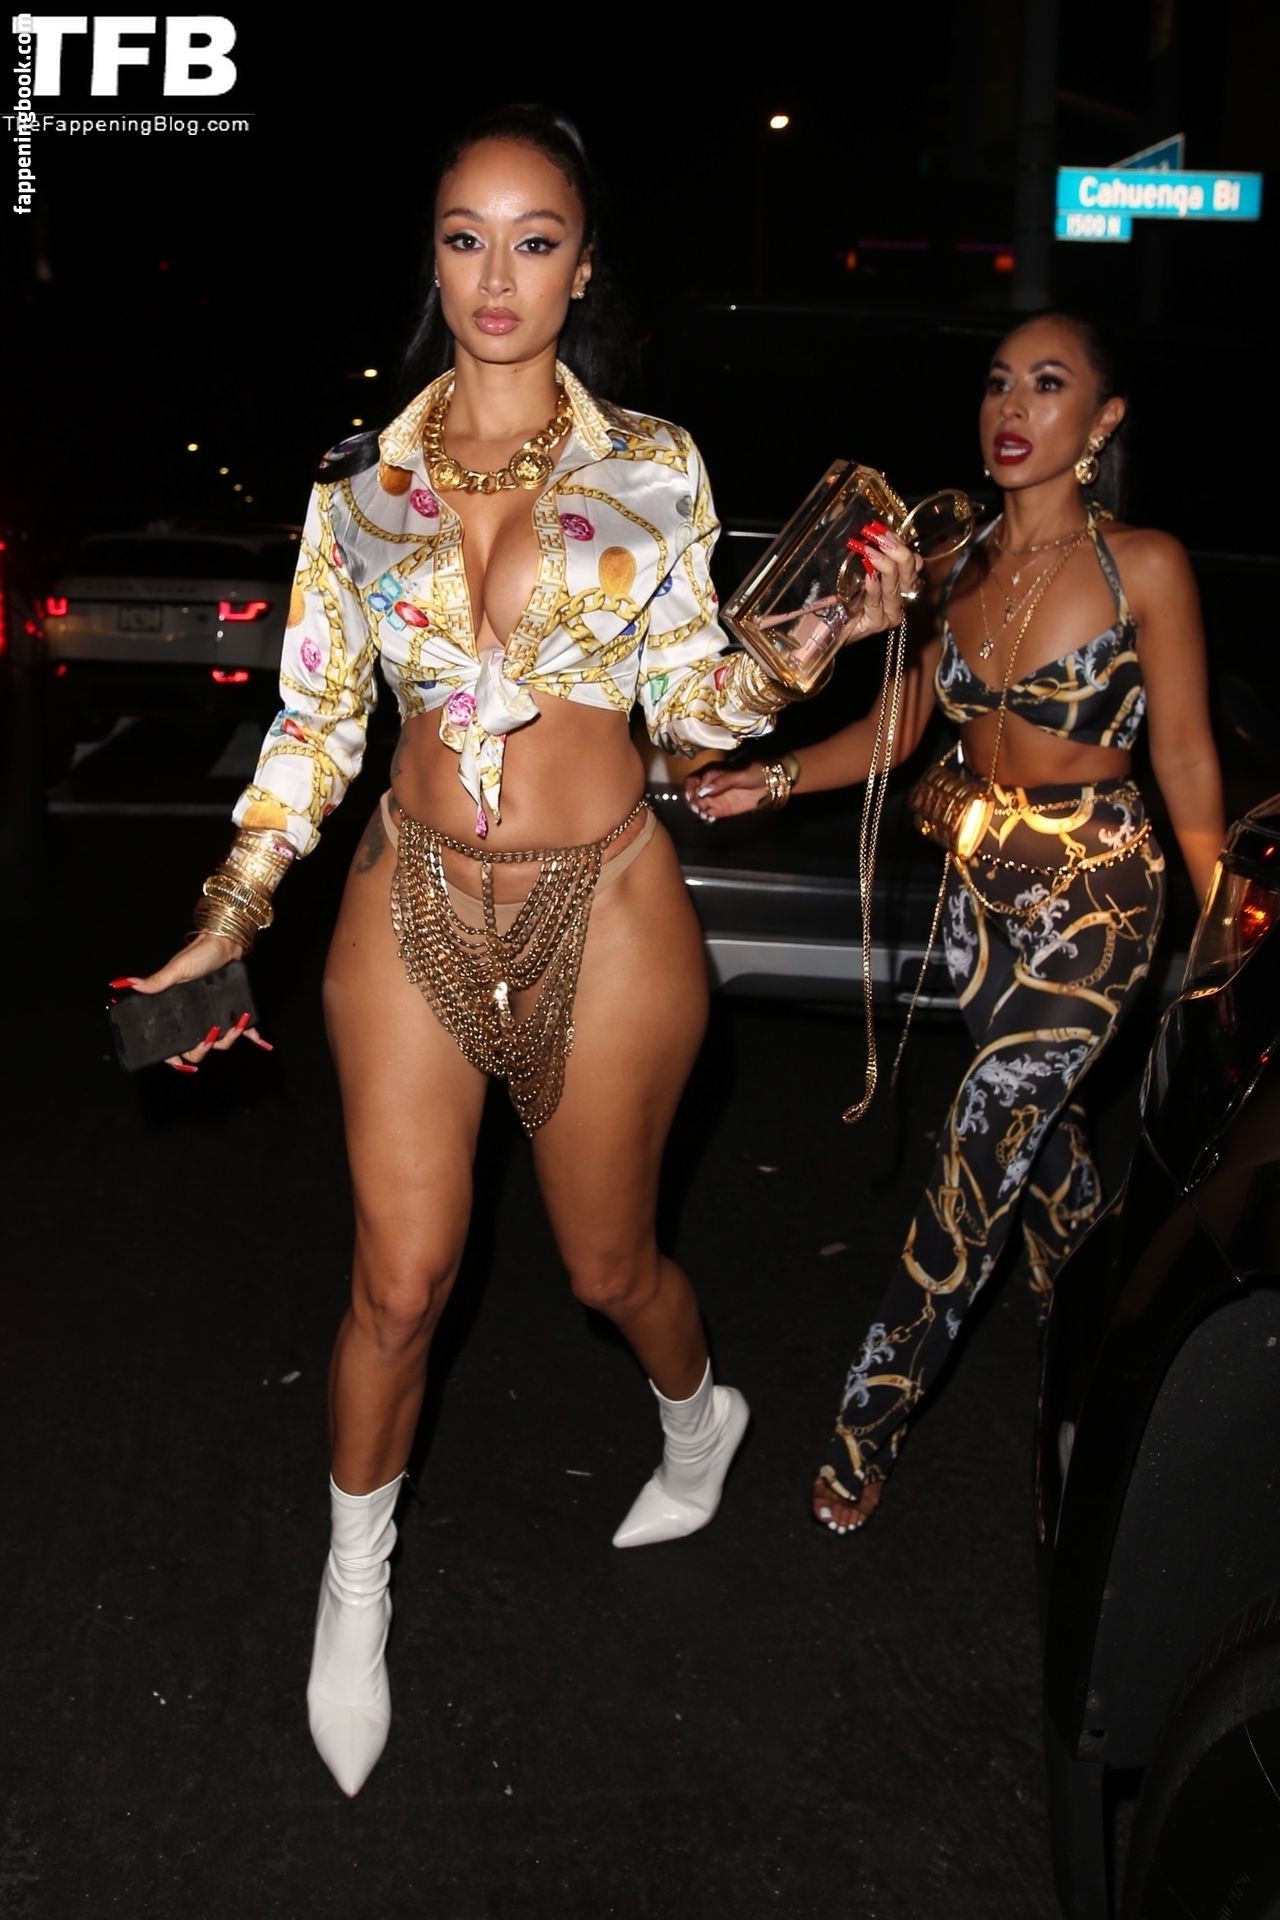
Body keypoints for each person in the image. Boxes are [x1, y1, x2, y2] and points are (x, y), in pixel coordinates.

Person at [114, 104, 920, 1794]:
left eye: (534, 240)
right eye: (466, 238)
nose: (498, 275)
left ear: (583, 267)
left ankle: (701, 1416)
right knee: (398, 1282)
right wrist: (226, 913)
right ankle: (354, 1591)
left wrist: (814, 641)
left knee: (606, 1270)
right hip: (406, 901)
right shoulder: (359, 485)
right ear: (433, 258)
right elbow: (315, 725)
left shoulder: (657, 465)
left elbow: (690, 709)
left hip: (604, 909)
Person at [685, 310, 1224, 1538]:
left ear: (1102, 420)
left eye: (1047, 384)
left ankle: (863, 1425)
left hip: (1097, 900)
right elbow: (900, 728)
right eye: (996, 383)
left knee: (975, 1147)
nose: (1011, 408)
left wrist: (1222, 931)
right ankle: (1097, 1328)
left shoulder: (1143, 564)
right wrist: (770, 777)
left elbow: (1186, 757)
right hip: (980, 895)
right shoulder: (953, 562)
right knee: (1037, 1148)